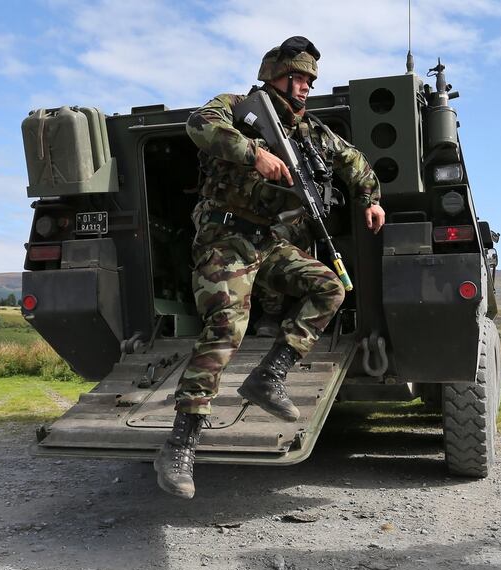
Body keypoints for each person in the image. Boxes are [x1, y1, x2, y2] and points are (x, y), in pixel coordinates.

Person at [155, 36, 385, 499]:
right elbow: (199, 125)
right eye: (296, 78)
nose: (304, 87)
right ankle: (180, 445)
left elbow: (354, 161)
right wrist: (253, 153)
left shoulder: (311, 132)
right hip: (224, 238)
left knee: (330, 287)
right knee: (226, 327)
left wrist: (371, 199)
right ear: (273, 75)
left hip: (267, 240)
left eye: (309, 80)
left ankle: (269, 376)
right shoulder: (238, 107)